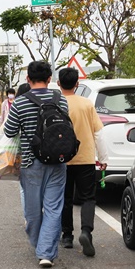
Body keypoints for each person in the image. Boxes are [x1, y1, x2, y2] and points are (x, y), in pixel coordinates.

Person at [2, 61, 67, 268]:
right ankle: (46, 252)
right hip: (57, 160)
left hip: (31, 163)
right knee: (54, 208)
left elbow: (9, 131)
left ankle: (40, 245)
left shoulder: (20, 103)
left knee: (33, 209)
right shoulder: (60, 99)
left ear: (28, 79)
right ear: (49, 79)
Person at [57, 67, 108, 257]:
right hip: (85, 158)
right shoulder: (86, 104)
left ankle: (67, 236)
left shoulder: (58, 103)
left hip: (62, 159)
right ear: (77, 84)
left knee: (65, 198)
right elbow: (99, 134)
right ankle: (86, 232)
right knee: (87, 198)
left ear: (59, 84)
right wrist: (103, 158)